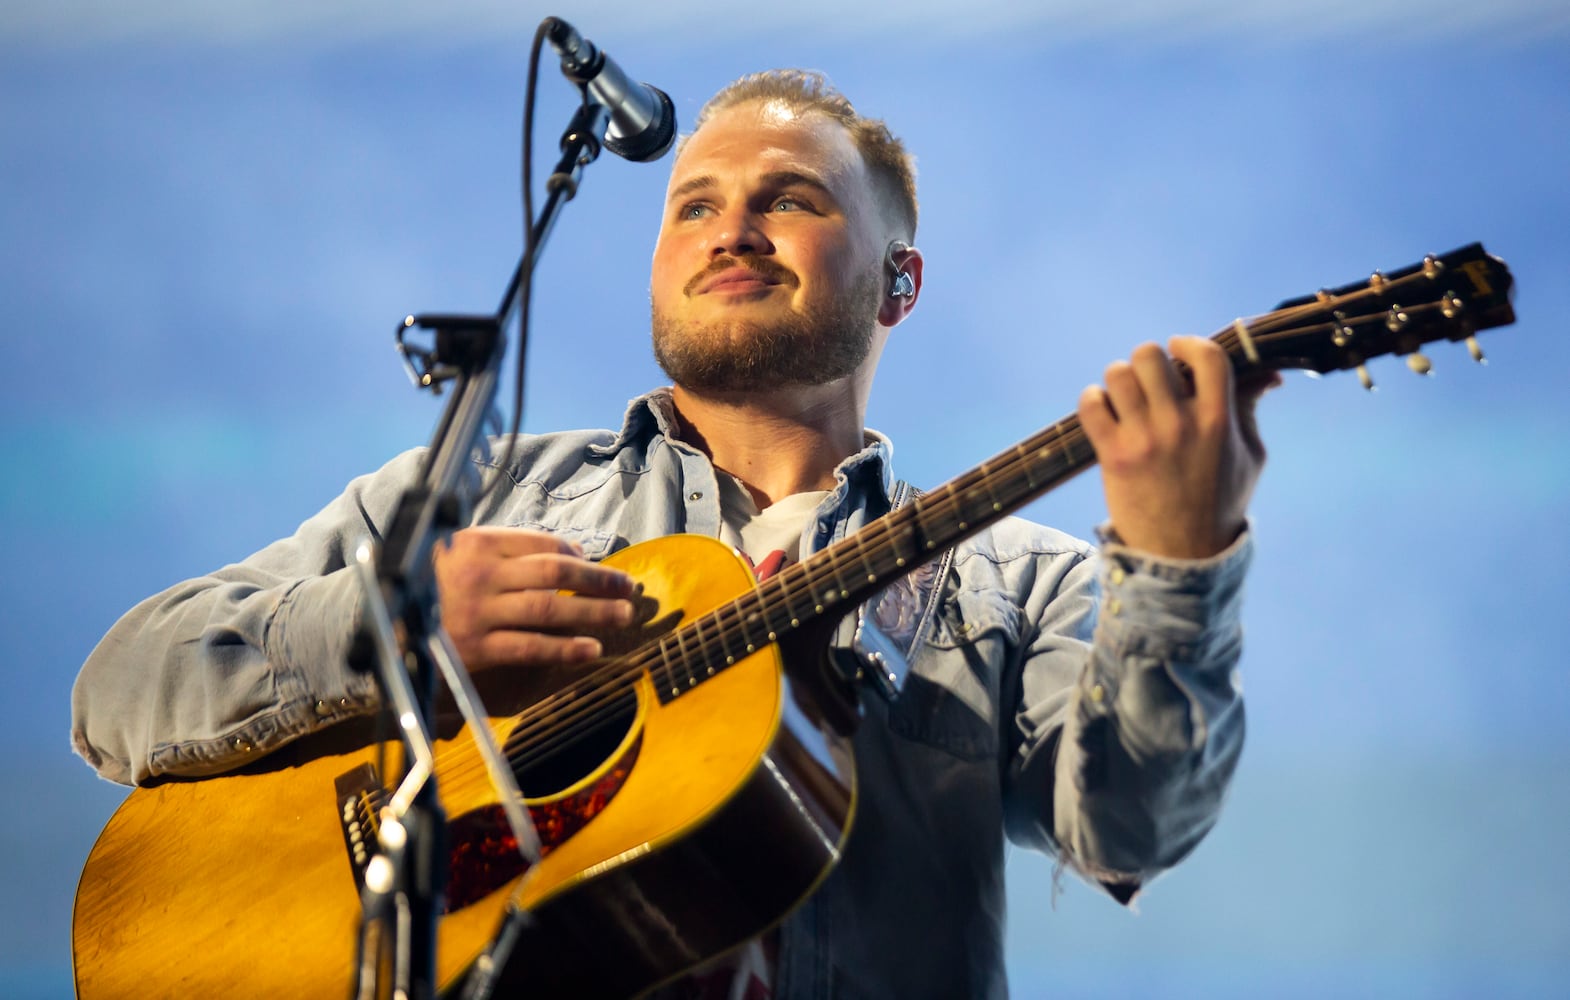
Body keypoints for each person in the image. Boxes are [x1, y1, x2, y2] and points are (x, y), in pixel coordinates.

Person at [72, 70, 1272, 998]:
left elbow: (1131, 821)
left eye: (789, 200)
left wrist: (1179, 567)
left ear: (899, 285)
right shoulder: (486, 500)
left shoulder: (1013, 582)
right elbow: (119, 691)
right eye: (694, 203)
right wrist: (394, 628)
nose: (731, 228)